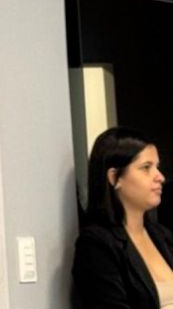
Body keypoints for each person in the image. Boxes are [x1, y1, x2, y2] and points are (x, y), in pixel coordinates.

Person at [72, 127, 173, 309]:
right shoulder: (97, 245)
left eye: (157, 167)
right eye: (146, 168)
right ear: (114, 177)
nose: (160, 177)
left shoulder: (162, 236)